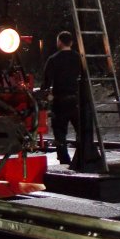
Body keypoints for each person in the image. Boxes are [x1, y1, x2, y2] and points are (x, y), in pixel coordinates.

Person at [41, 30, 83, 166]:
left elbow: (46, 83)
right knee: (81, 130)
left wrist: (45, 95)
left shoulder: (53, 59)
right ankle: (82, 155)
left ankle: (64, 159)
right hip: (76, 100)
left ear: (59, 41)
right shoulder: (79, 58)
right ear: (71, 42)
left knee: (59, 132)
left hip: (60, 101)